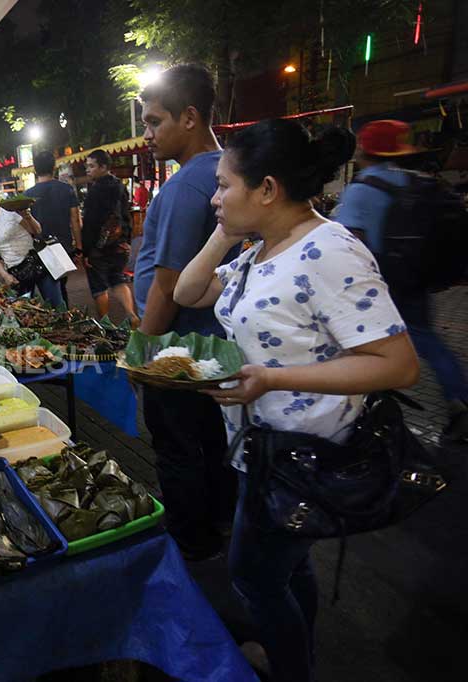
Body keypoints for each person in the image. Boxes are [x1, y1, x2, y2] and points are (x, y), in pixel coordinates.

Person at [174, 119, 420, 682]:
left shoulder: (330, 251)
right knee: (289, 566)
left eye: (223, 186)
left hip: (305, 454)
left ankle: (290, 670)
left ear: (267, 189)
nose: (213, 197)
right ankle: (300, 649)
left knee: (252, 578)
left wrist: (271, 380)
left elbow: (399, 365)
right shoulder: (262, 247)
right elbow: (187, 292)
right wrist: (225, 230)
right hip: (260, 448)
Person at [133, 64, 236, 560]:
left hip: (176, 347)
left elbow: (167, 285)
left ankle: (190, 544)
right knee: (211, 442)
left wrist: (141, 355)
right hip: (211, 343)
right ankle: (218, 523)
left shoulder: (186, 185)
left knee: (176, 447)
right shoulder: (222, 174)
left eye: (154, 122)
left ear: (190, 117)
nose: (147, 135)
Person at [333, 119, 468, 443]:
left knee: (367, 348)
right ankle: (460, 400)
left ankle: (370, 415)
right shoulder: (416, 181)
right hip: (416, 278)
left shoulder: (362, 188)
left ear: (365, 149)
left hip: (380, 286)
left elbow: (347, 244)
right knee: (426, 340)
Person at [0, 184, 64, 305]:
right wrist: (5, 276)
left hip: (38, 263)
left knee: (56, 304)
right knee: (28, 311)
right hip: (17, 274)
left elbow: (36, 231)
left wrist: (28, 216)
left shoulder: (10, 213)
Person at [82, 150, 139, 324]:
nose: (88, 170)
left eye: (92, 166)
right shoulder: (120, 186)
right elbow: (126, 216)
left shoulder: (95, 191)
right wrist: (126, 240)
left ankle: (106, 326)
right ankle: (131, 314)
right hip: (119, 244)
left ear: (103, 167)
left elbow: (90, 223)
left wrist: (85, 251)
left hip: (98, 249)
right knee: (118, 280)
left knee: (99, 287)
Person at [26, 150, 82, 305]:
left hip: (41, 248)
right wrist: (79, 246)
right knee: (60, 285)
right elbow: (75, 220)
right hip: (63, 245)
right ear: (54, 167)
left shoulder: (28, 195)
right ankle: (64, 315)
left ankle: (61, 314)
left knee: (51, 287)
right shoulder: (67, 189)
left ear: (35, 169)